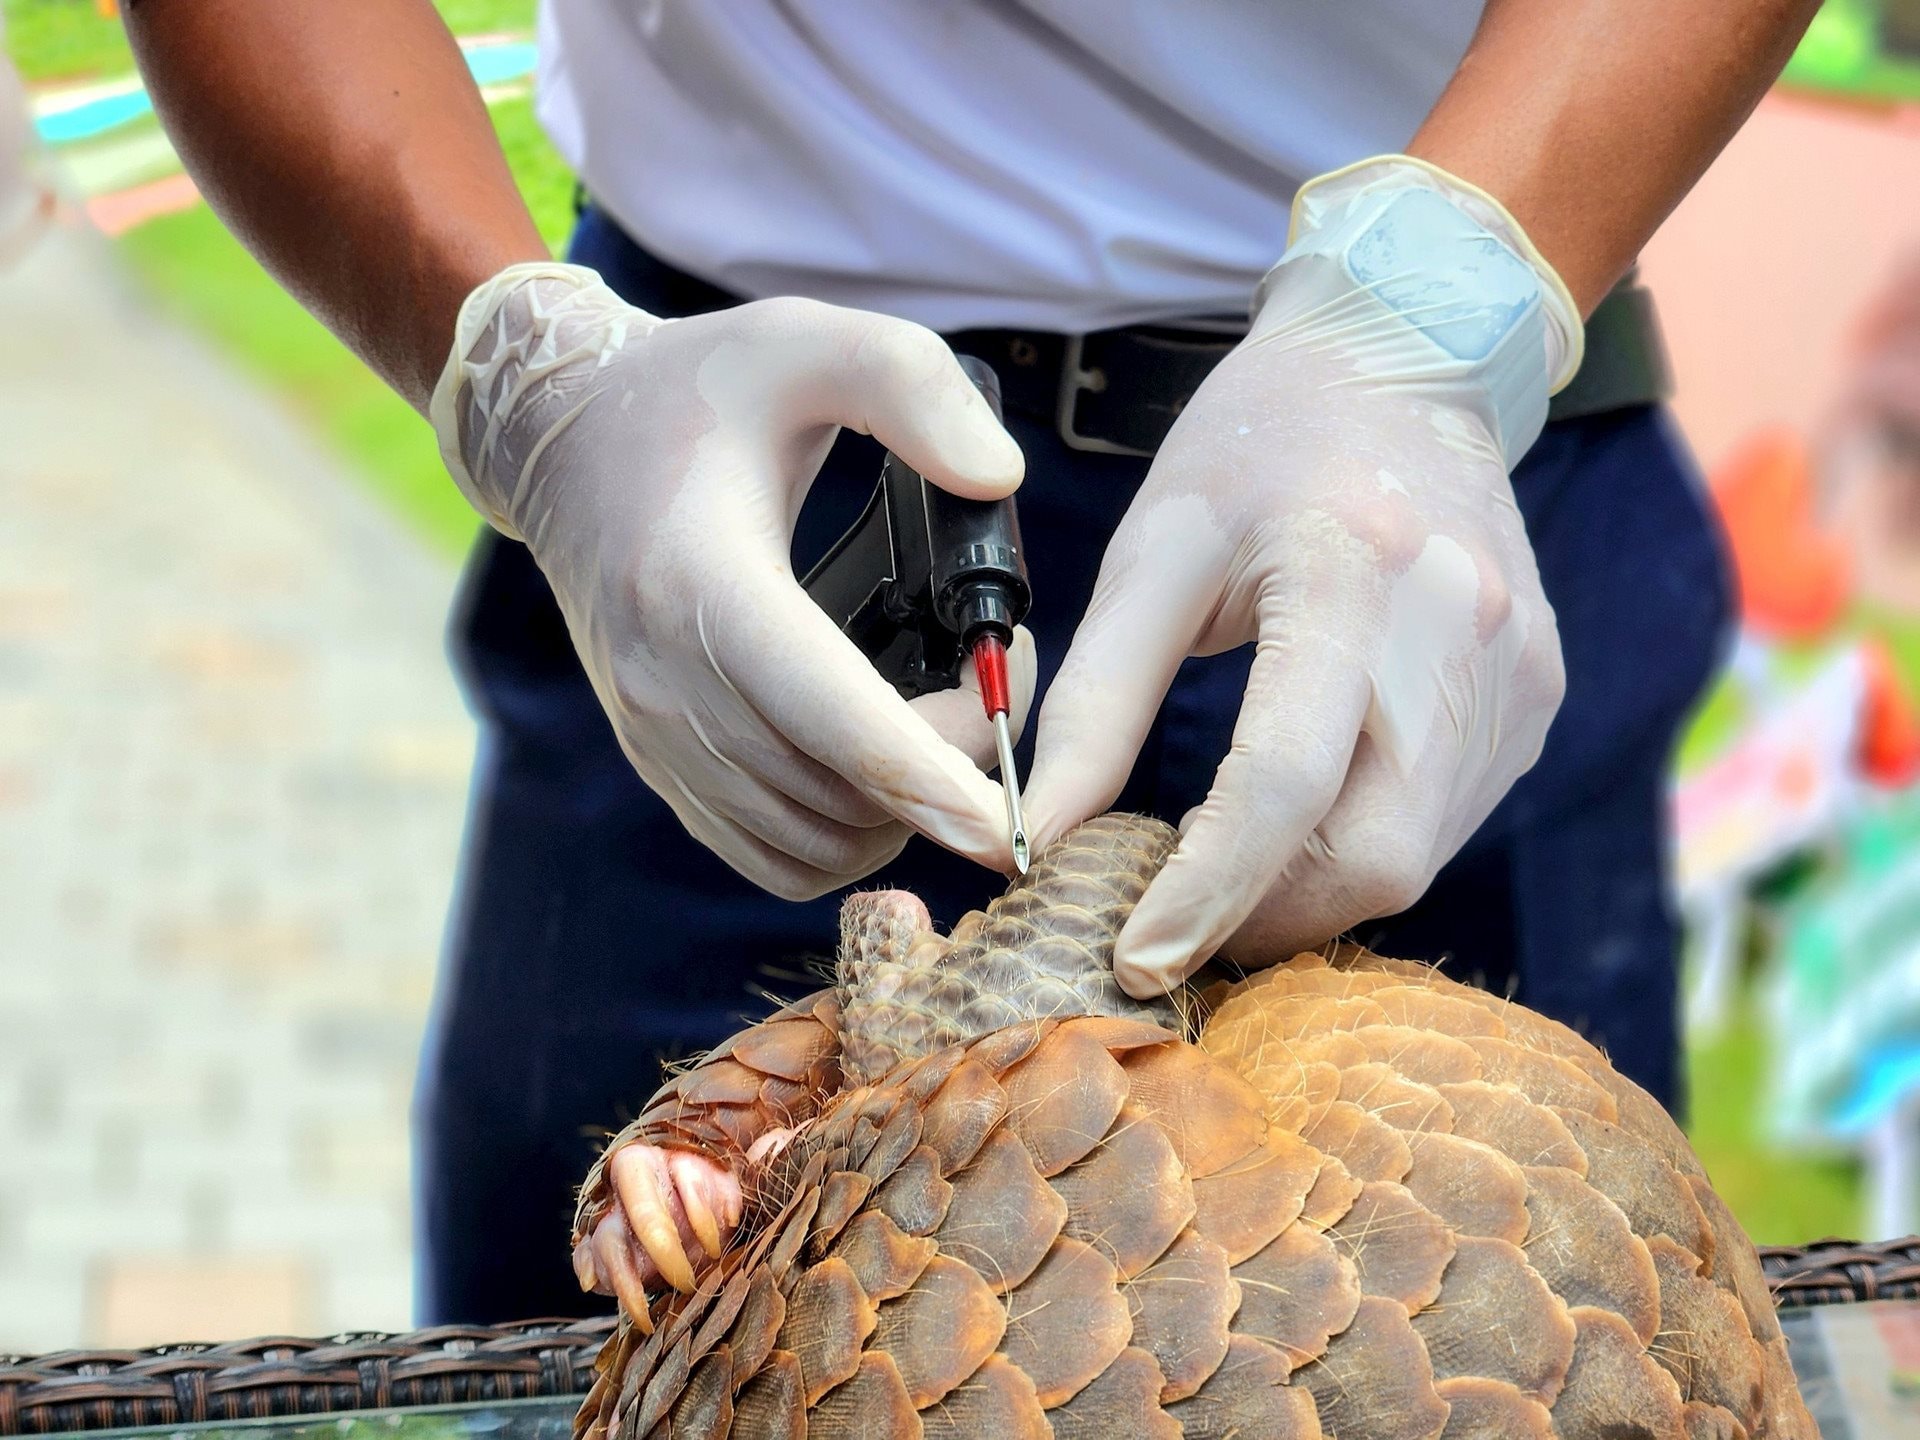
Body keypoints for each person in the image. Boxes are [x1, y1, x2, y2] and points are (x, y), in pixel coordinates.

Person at [123, 0, 1818, 1322]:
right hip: (740, 479)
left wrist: (1435, 320)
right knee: (614, 1319)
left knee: (1535, 1339)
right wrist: (525, 376)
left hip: (1427, 474)